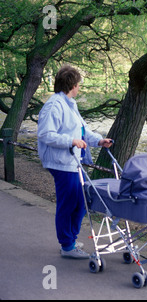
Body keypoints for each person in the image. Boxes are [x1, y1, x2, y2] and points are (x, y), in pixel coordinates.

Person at [37, 65, 113, 259]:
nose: (79, 88)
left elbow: (82, 131)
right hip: (60, 162)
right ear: (72, 85)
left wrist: (98, 141)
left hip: (72, 161)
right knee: (69, 202)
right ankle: (67, 246)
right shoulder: (54, 105)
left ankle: (70, 239)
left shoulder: (70, 104)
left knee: (80, 201)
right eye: (78, 85)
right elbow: (46, 135)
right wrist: (71, 141)